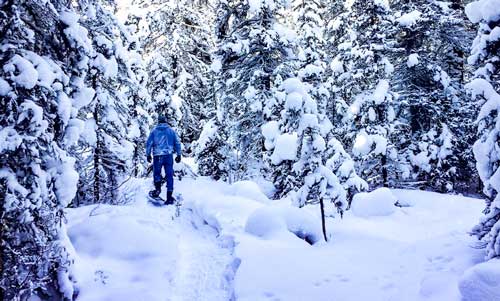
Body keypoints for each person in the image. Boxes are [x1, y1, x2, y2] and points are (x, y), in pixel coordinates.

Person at [146, 115, 182, 204]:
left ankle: (157, 190)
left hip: (157, 156)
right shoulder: (171, 131)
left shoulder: (154, 131)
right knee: (169, 175)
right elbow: (177, 143)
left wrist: (148, 154)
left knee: (157, 173)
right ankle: (169, 197)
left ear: (158, 121)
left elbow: (149, 143)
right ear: (165, 121)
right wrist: (179, 154)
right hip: (168, 156)